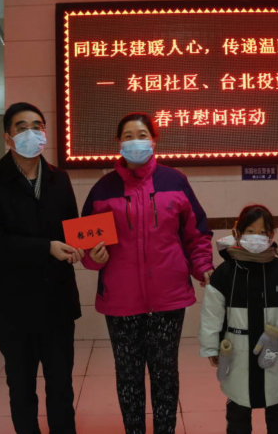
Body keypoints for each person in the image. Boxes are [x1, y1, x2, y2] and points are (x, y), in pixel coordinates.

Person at [80, 112, 214, 434]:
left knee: (165, 374)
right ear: (118, 142)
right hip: (120, 301)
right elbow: (86, 247)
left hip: (168, 298)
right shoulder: (103, 189)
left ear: (154, 140)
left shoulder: (175, 181)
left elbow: (196, 233)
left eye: (142, 135)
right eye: (128, 136)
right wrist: (93, 257)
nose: (135, 142)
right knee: (128, 376)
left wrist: (202, 267)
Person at [0, 102, 84, 434]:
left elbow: (72, 228)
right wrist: (46, 247)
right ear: (8, 137)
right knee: (21, 388)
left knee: (61, 386)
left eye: (37, 126)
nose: (31, 133)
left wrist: (86, 246)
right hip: (13, 306)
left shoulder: (59, 178)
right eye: (22, 128)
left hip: (57, 302)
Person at [199, 205, 278, 434]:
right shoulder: (225, 273)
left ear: (272, 234)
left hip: (276, 351)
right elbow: (211, 315)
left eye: (263, 232)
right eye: (250, 231)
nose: (257, 237)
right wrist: (210, 346)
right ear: (238, 232)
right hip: (237, 351)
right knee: (238, 408)